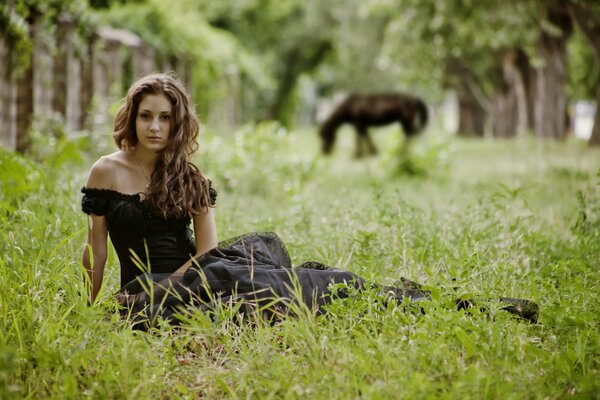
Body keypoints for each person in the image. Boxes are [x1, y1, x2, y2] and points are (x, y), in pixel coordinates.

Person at [81, 72, 538, 329]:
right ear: (132, 117)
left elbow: (206, 255)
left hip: (193, 278)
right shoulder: (106, 171)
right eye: (146, 116)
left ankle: (446, 303)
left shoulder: (190, 177)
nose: (155, 126)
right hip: (142, 291)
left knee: (295, 287)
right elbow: (97, 250)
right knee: (246, 296)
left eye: (165, 117)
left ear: (178, 124)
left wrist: (178, 282)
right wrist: (87, 306)